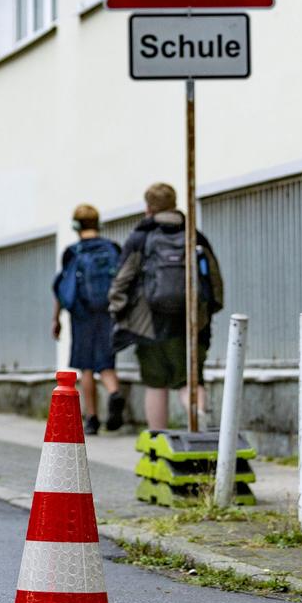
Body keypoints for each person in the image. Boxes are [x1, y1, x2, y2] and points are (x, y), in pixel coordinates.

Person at [109, 183, 224, 430]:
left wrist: (119, 313)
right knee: (191, 381)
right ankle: (201, 422)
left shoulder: (140, 237)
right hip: (190, 324)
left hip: (150, 326)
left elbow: (122, 279)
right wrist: (205, 315)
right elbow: (214, 281)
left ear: (148, 207)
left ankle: (156, 441)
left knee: (156, 384)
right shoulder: (193, 235)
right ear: (174, 203)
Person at [53, 205, 126, 435]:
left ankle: (92, 418)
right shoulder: (112, 248)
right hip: (108, 312)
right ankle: (115, 392)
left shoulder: (71, 252)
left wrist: (56, 319)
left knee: (86, 366)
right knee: (105, 361)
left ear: (76, 226)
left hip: (81, 315)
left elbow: (62, 288)